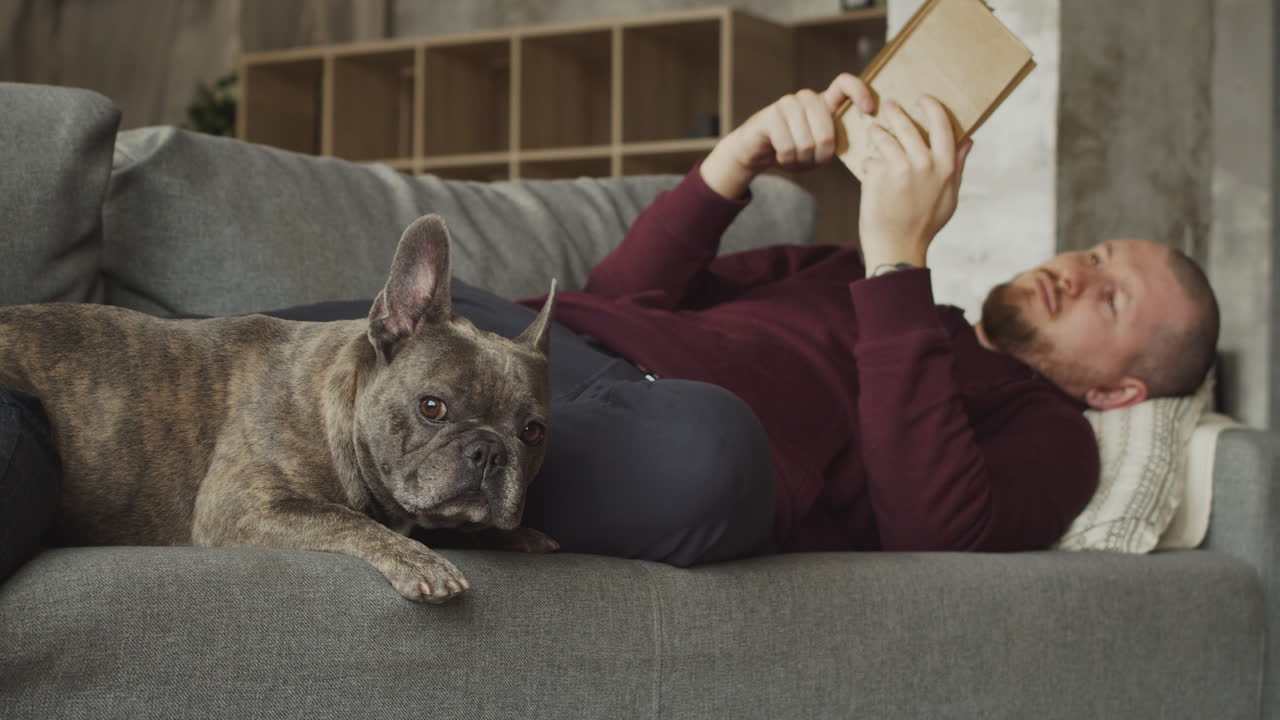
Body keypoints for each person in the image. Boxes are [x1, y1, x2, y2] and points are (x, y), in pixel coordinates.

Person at [0, 74, 1219, 582]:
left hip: (630, 440)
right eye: (1085, 253)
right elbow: (618, 298)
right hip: (502, 353)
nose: (1069, 272)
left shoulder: (1045, 435)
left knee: (712, 455)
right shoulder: (832, 268)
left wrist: (900, 260)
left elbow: (932, 533)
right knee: (175, 370)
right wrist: (734, 162)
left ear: (1120, 390)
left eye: (1108, 296)